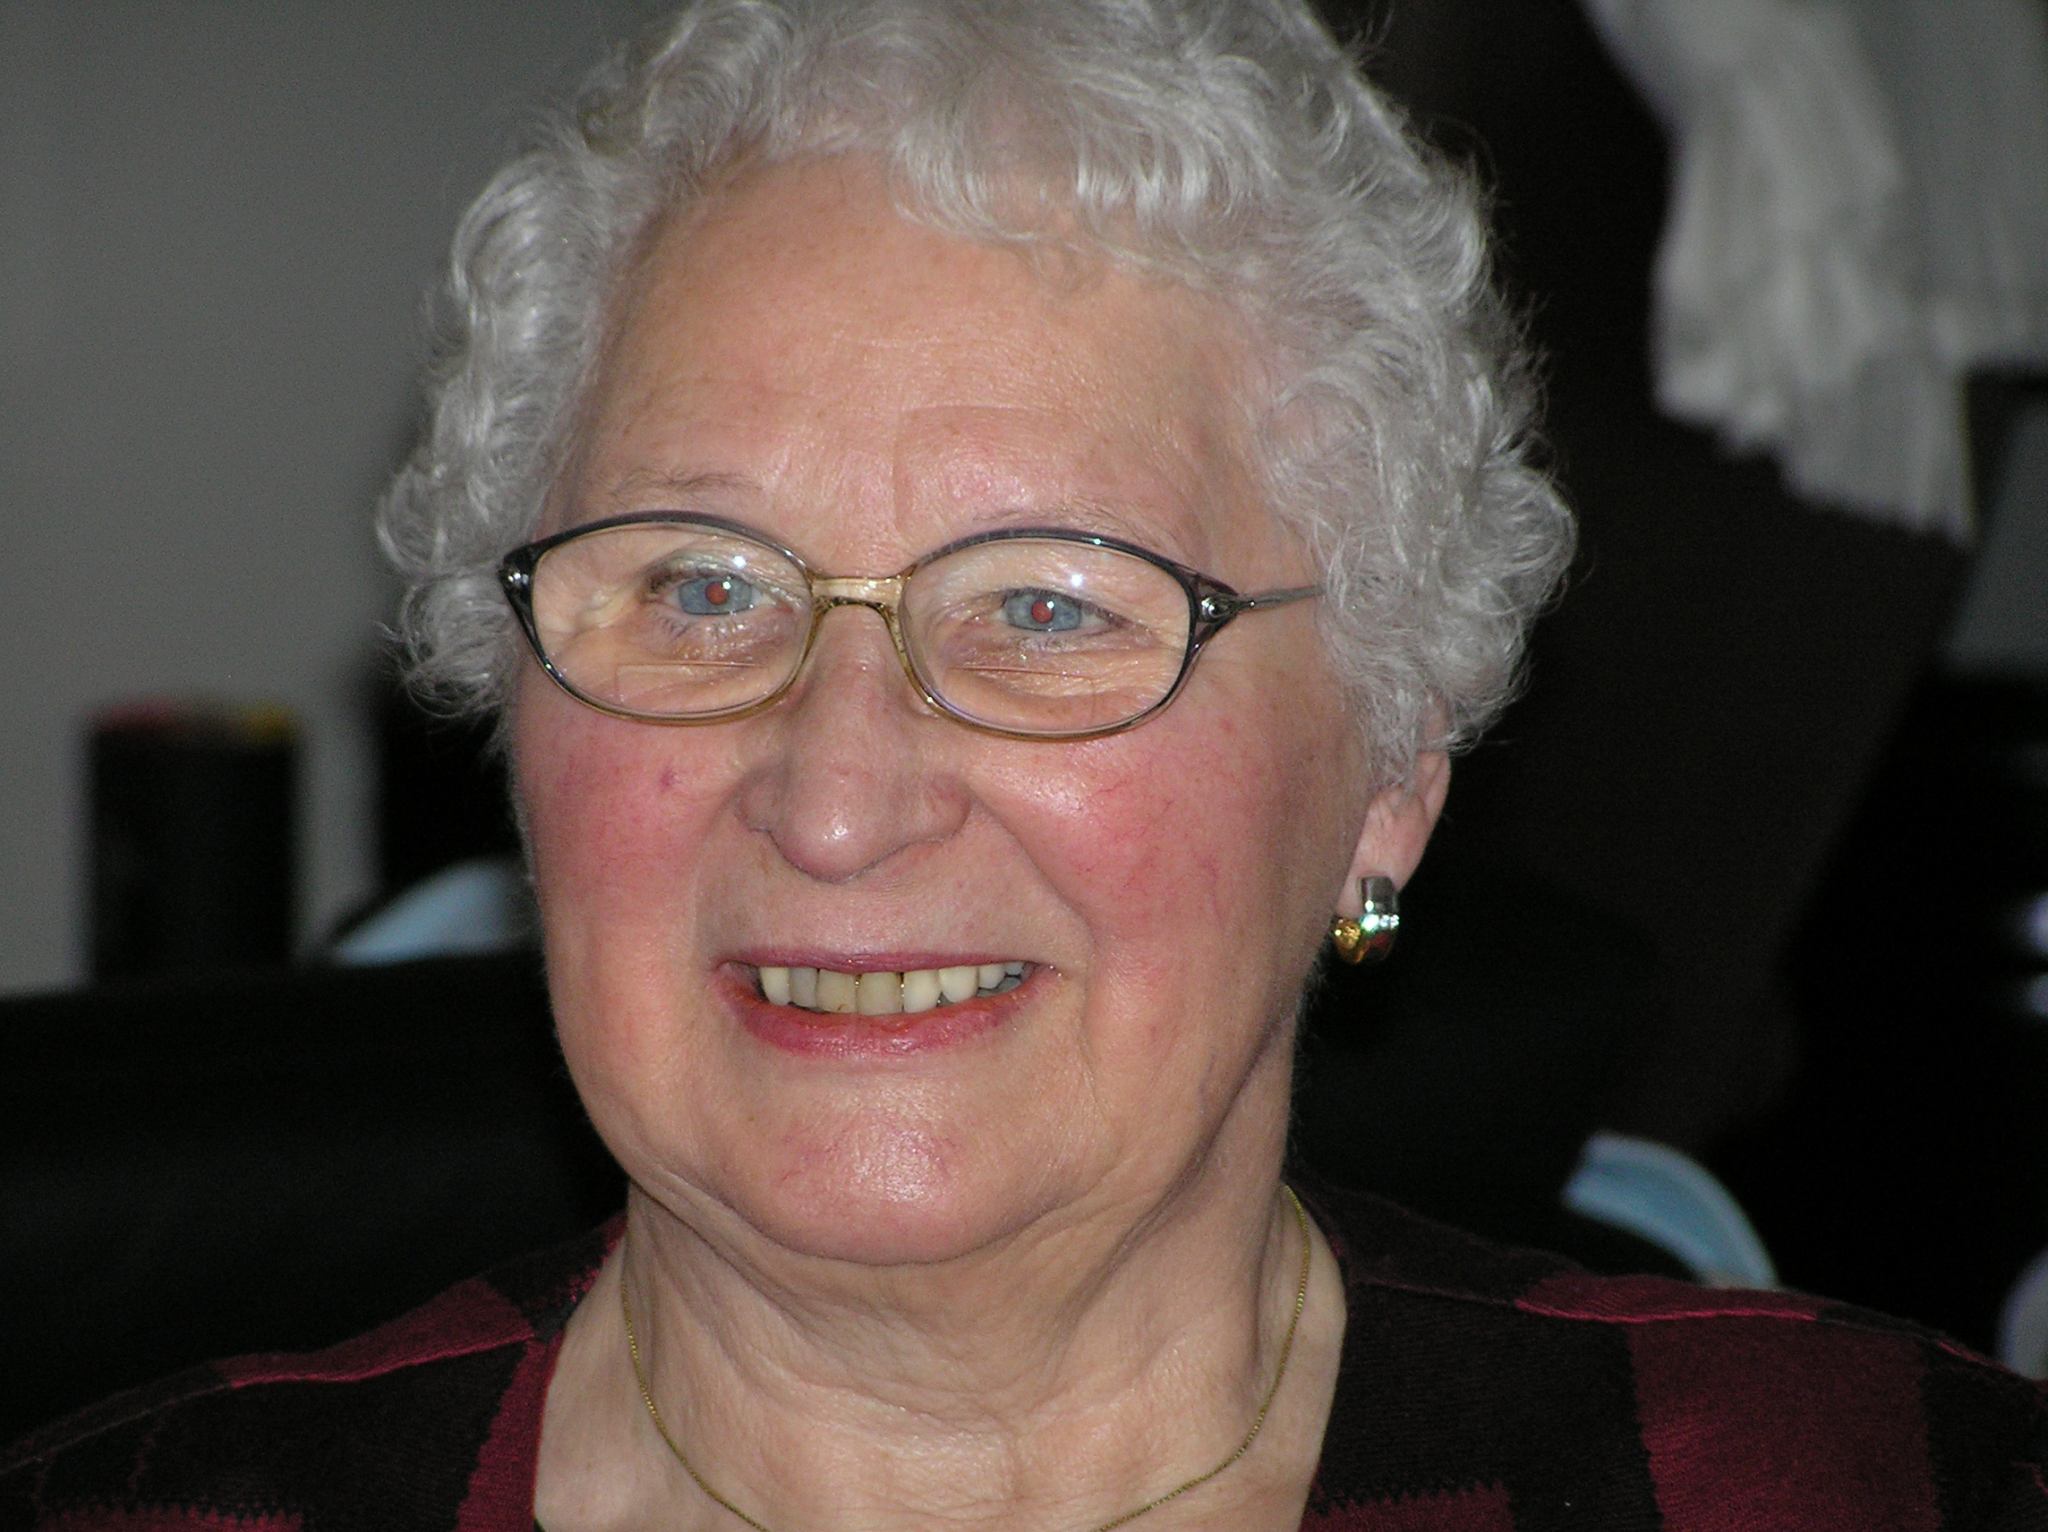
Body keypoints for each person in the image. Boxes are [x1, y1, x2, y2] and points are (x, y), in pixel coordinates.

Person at [6, 1, 2044, 1528]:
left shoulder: (1867, 1487)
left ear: (1388, 774)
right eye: (701, 588)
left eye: (1052, 608)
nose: (835, 799)